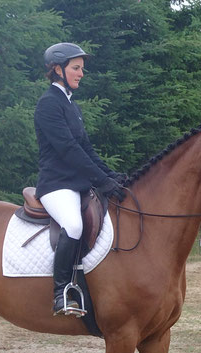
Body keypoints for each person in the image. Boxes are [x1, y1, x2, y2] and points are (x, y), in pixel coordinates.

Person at [34, 42, 126, 315]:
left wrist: (110, 176)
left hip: (77, 184)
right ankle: (61, 292)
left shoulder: (71, 105)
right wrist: (100, 179)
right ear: (57, 70)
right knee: (73, 225)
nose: (81, 74)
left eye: (81, 69)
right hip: (56, 184)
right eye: (76, 68)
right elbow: (68, 150)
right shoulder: (48, 104)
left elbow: (86, 149)